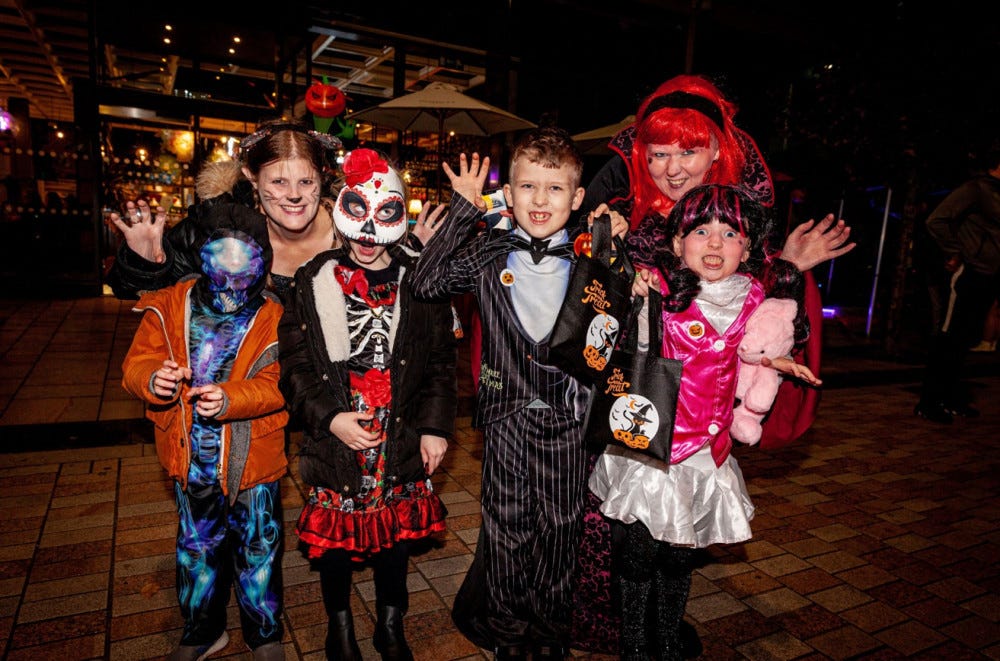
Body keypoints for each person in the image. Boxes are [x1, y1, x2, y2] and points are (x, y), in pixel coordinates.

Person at [411, 128, 627, 660]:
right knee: (505, 530)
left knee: (560, 529)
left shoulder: (592, 256)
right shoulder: (489, 252)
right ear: (508, 193)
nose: (539, 200)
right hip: (505, 414)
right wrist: (463, 209)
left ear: (577, 198)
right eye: (527, 187)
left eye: (555, 189)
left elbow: (622, 322)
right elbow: (425, 282)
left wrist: (617, 249)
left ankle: (550, 634)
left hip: (570, 417)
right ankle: (507, 634)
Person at [589, 184, 821, 660]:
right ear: (677, 243)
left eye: (729, 232)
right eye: (700, 231)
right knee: (639, 552)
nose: (714, 244)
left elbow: (752, 350)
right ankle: (633, 642)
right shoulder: (658, 288)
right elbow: (610, 318)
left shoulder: (755, 296)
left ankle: (668, 636)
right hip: (652, 453)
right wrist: (624, 274)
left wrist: (779, 363)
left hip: (705, 455)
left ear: (748, 246)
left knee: (680, 553)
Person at [277, 148, 456, 661]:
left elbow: (440, 361)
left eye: (385, 215)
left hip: (398, 431)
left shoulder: (420, 282)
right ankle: (340, 626)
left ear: (399, 217)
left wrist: (435, 428)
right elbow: (294, 367)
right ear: (339, 212)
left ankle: (390, 623)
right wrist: (330, 419)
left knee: (395, 542)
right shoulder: (310, 281)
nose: (369, 237)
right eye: (358, 215)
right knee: (336, 544)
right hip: (337, 437)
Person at [120, 200, 289, 660]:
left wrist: (233, 399)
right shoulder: (172, 303)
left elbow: (281, 385)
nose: (233, 278)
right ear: (202, 256)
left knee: (260, 548)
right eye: (221, 260)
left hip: (254, 463)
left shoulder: (274, 316)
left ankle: (265, 634)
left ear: (263, 262)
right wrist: (154, 380)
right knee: (197, 549)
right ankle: (202, 630)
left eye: (246, 263)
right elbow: (137, 362)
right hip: (190, 458)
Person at [106, 118, 444, 303]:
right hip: (246, 402)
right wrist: (147, 261)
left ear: (322, 177)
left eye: (306, 182)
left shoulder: (352, 228)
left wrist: (415, 253)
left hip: (331, 409)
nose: (294, 196)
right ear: (252, 177)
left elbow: (396, 299)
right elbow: (135, 294)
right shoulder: (218, 227)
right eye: (279, 182)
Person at [914, 142, 1000, 423]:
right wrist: (956, 252)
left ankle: (951, 398)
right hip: (969, 273)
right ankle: (929, 402)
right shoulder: (976, 189)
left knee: (964, 340)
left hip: (990, 275)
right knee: (948, 337)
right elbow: (936, 220)